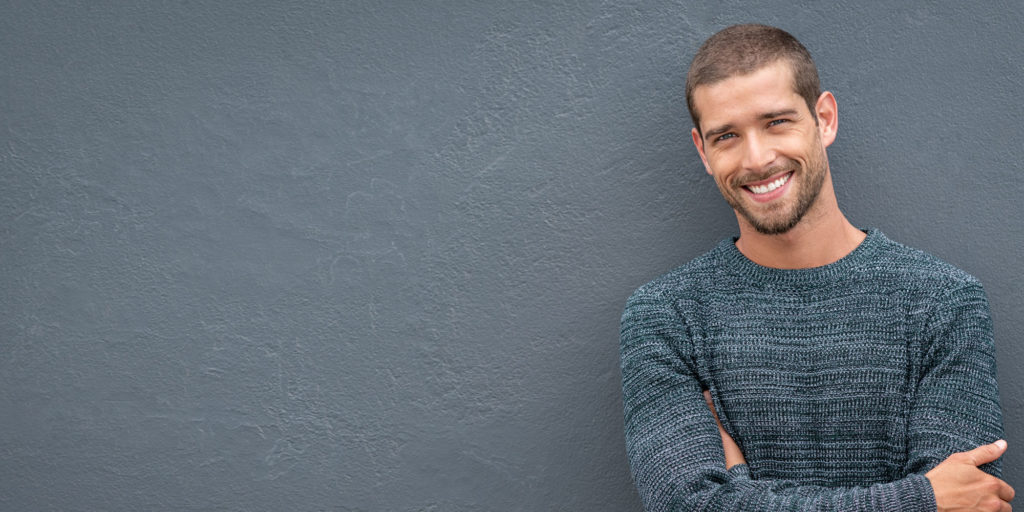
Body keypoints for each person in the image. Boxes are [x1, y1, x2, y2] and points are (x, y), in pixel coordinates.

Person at [619, 24, 1014, 511]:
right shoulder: (665, 317)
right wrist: (917, 499)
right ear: (703, 151)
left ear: (824, 119)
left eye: (777, 122)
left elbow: (970, 504)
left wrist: (739, 491)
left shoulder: (943, 303)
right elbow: (689, 506)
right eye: (727, 136)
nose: (758, 157)